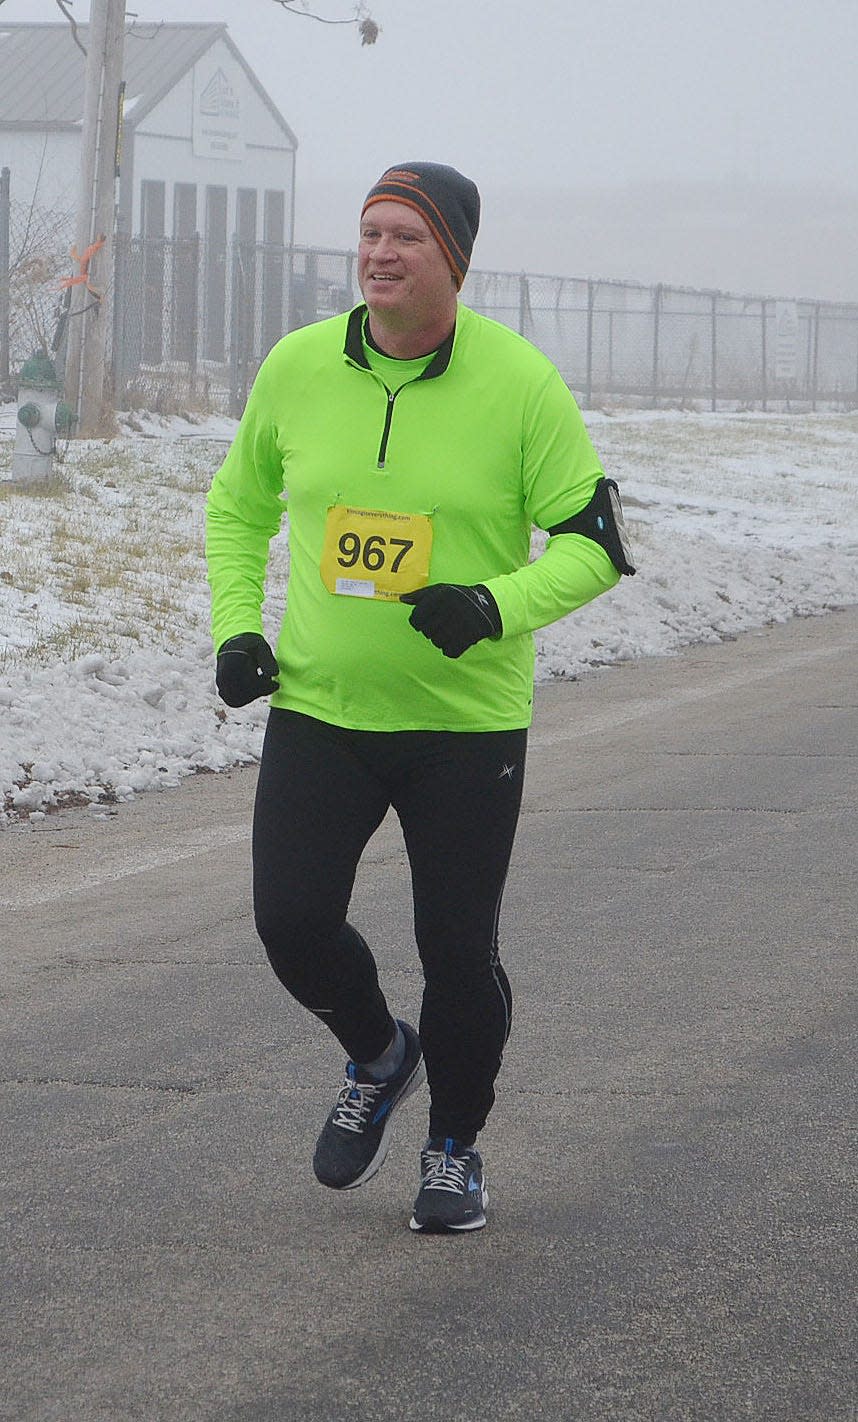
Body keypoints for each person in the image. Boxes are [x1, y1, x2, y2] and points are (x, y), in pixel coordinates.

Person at [205, 162, 634, 1235]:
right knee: (292, 921)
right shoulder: (300, 367)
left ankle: (454, 1146)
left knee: (456, 949)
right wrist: (236, 629)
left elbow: (593, 548)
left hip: (464, 725)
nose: (381, 254)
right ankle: (376, 1054)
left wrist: (494, 604)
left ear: (454, 259)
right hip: (323, 707)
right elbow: (236, 508)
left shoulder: (520, 382)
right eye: (371, 233)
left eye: (408, 237)